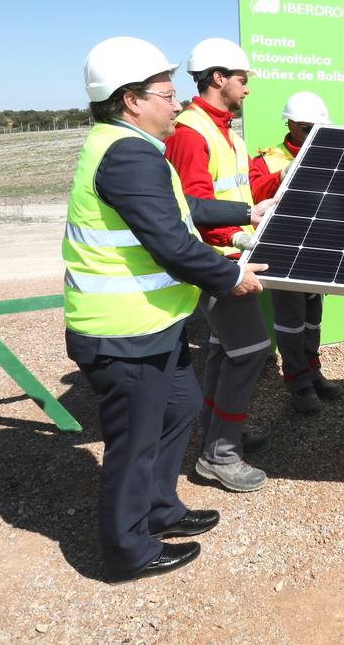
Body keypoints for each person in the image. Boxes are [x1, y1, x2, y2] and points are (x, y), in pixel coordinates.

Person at [63, 36, 271, 582]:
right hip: (123, 332)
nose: (175, 103)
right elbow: (171, 243)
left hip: (155, 325)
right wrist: (231, 275)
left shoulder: (130, 146)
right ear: (131, 99)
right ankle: (128, 551)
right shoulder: (127, 153)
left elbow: (184, 206)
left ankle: (161, 509)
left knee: (180, 409)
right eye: (165, 93)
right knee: (133, 444)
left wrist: (248, 207)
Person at [164, 38, 275, 493]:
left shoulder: (227, 132)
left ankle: (219, 433)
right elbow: (189, 207)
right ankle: (220, 454)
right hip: (216, 264)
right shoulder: (190, 132)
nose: (247, 89)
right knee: (250, 351)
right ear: (218, 78)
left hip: (232, 256)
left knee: (223, 350)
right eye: (242, 79)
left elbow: (242, 190)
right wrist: (241, 233)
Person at [248, 91, 344, 414]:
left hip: (318, 249)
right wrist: (281, 176)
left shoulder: (329, 153)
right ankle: (298, 383)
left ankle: (313, 371)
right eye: (306, 128)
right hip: (283, 251)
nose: (312, 135)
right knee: (290, 321)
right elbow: (252, 193)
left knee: (313, 317)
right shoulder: (268, 159)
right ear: (291, 124)